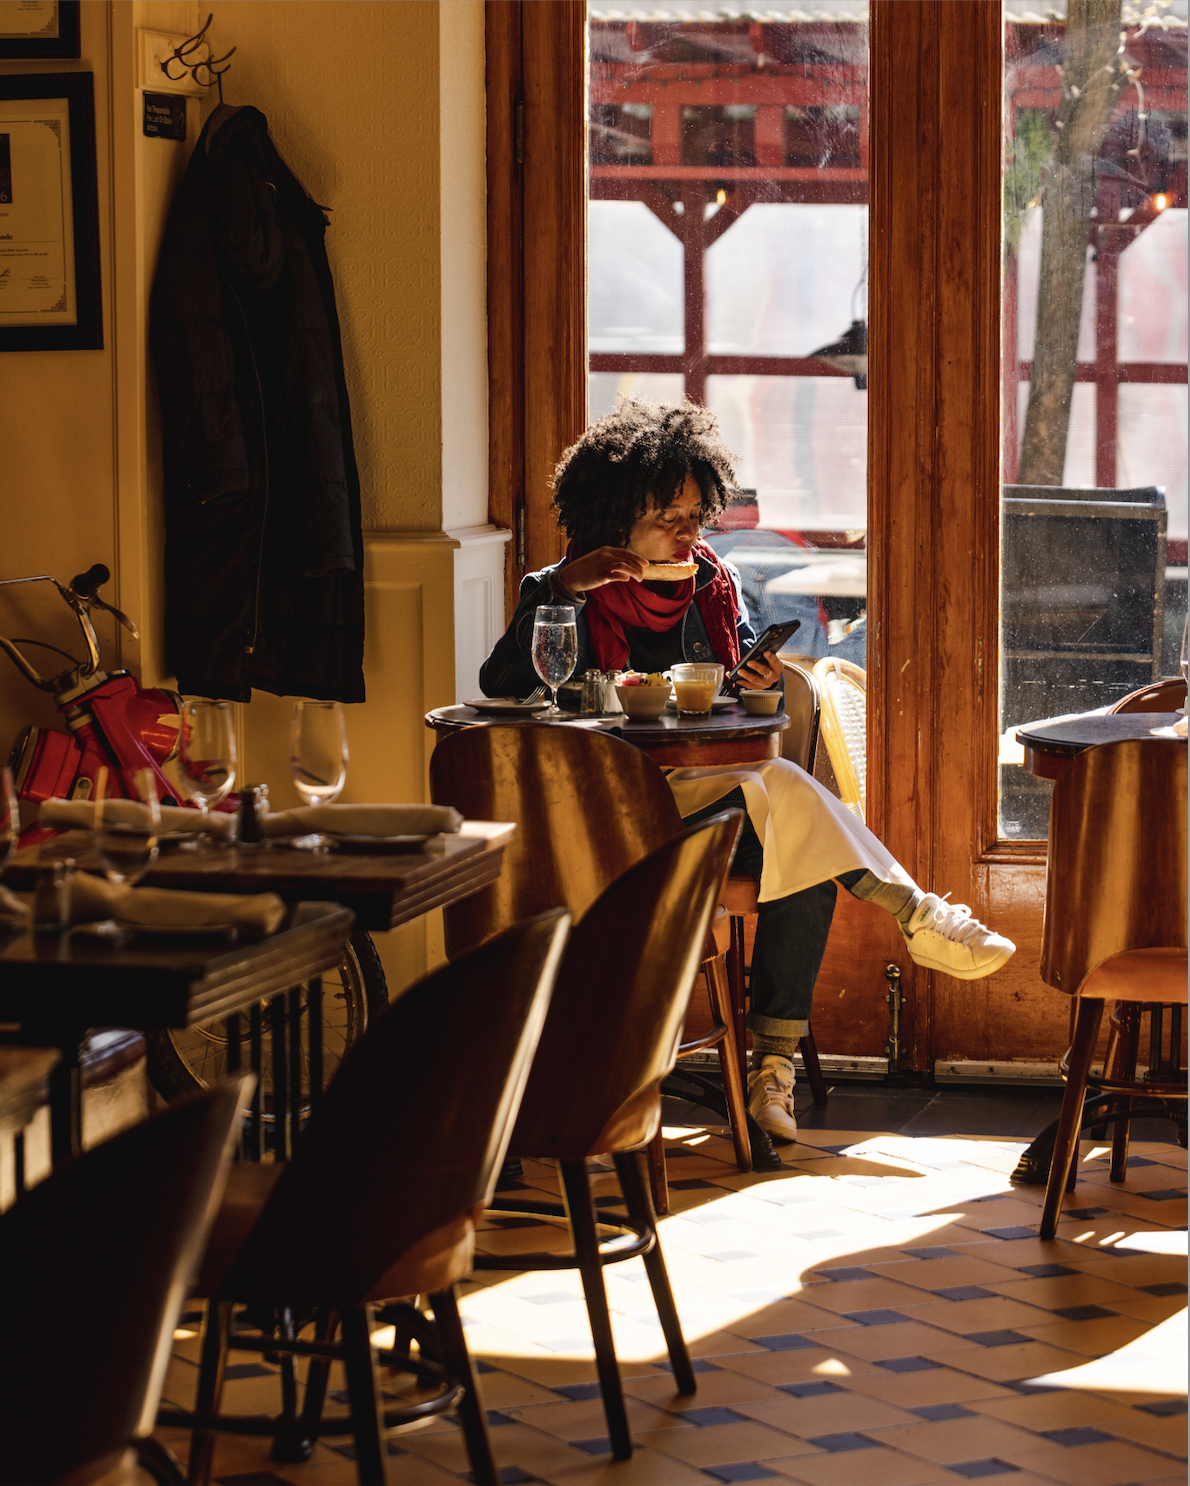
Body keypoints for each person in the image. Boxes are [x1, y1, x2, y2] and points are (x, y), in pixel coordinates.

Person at [480, 400, 1015, 1143]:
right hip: (603, 815)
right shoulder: (559, 587)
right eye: (671, 516)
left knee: (796, 836)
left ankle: (773, 1069)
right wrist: (572, 586)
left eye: (698, 515)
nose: (689, 533)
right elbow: (503, 685)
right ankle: (916, 919)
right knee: (796, 812)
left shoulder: (709, 586)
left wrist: (754, 680)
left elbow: (742, 711)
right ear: (614, 515)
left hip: (707, 801)